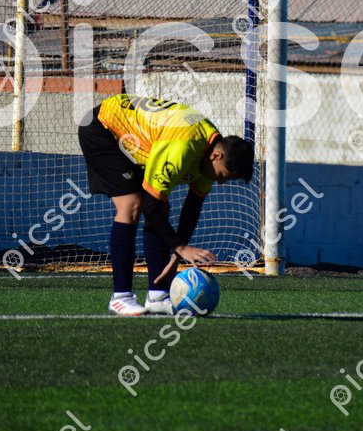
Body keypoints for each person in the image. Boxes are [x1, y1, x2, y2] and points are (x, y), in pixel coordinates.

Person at [78, 92, 255, 316]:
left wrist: (176, 256)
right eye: (222, 176)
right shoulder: (182, 146)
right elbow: (149, 206)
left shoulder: (209, 151)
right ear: (216, 156)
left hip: (137, 137)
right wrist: (180, 247)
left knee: (161, 207)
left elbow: (191, 208)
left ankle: (158, 295)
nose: (220, 182)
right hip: (102, 127)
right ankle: (120, 297)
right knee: (132, 204)